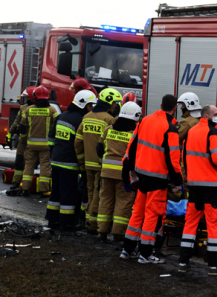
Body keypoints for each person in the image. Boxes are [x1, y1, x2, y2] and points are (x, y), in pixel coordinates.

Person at [120, 94, 182, 263]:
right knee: (152, 215)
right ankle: (146, 254)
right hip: (158, 178)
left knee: (137, 213)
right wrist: (177, 181)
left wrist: (128, 171)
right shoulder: (170, 128)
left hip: (141, 176)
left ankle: (127, 249)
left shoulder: (145, 120)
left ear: (161, 104)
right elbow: (173, 159)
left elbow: (131, 147)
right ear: (174, 108)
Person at [178, 105, 217, 276]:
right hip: (210, 186)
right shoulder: (214, 132)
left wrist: (189, 176)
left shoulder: (192, 131)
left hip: (194, 186)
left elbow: (184, 157)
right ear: (207, 116)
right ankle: (212, 266)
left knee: (190, 224)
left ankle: (183, 261)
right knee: (213, 224)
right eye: (216, 114)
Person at [46, 89, 97, 232]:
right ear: (84, 105)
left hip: (56, 161)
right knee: (69, 193)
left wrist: (53, 154)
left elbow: (51, 138)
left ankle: (52, 220)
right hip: (69, 163)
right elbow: (81, 144)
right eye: (90, 106)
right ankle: (66, 223)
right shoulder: (80, 120)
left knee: (55, 192)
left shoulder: (62, 116)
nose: (91, 109)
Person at [75, 87, 121, 235]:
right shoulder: (109, 119)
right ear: (109, 102)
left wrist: (82, 161)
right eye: (114, 103)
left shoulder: (86, 116)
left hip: (87, 163)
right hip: (101, 165)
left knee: (89, 193)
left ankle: (89, 222)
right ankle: (93, 225)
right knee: (98, 195)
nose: (115, 106)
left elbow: (78, 142)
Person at [95, 102, 141, 242]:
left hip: (106, 173)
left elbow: (99, 149)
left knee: (105, 201)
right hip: (124, 175)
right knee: (123, 203)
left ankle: (102, 231)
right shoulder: (134, 134)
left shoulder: (108, 129)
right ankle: (118, 233)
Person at [16, 85, 59, 195]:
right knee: (45, 166)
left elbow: (22, 127)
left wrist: (24, 141)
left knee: (29, 165)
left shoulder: (28, 110)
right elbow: (57, 127)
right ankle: (44, 190)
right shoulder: (52, 110)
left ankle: (25, 188)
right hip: (46, 146)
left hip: (30, 145)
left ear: (35, 97)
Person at [9, 86, 36, 188]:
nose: (27, 99)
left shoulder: (38, 109)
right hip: (22, 140)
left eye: (28, 97)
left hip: (32, 140)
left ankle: (26, 185)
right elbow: (17, 122)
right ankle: (16, 182)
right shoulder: (23, 108)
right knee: (19, 161)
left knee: (29, 163)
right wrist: (10, 133)